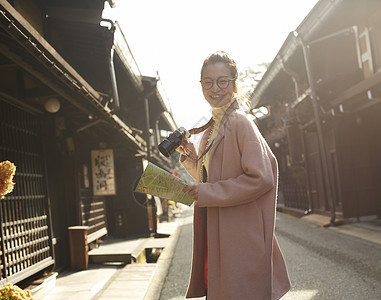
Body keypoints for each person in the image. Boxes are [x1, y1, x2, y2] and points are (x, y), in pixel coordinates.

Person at [177, 51, 291, 300]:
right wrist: (191, 160)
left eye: (222, 81)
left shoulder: (240, 122)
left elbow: (261, 178)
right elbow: (211, 180)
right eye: (208, 82)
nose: (215, 88)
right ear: (201, 85)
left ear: (234, 84)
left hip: (239, 236)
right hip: (220, 233)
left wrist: (207, 192)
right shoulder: (209, 130)